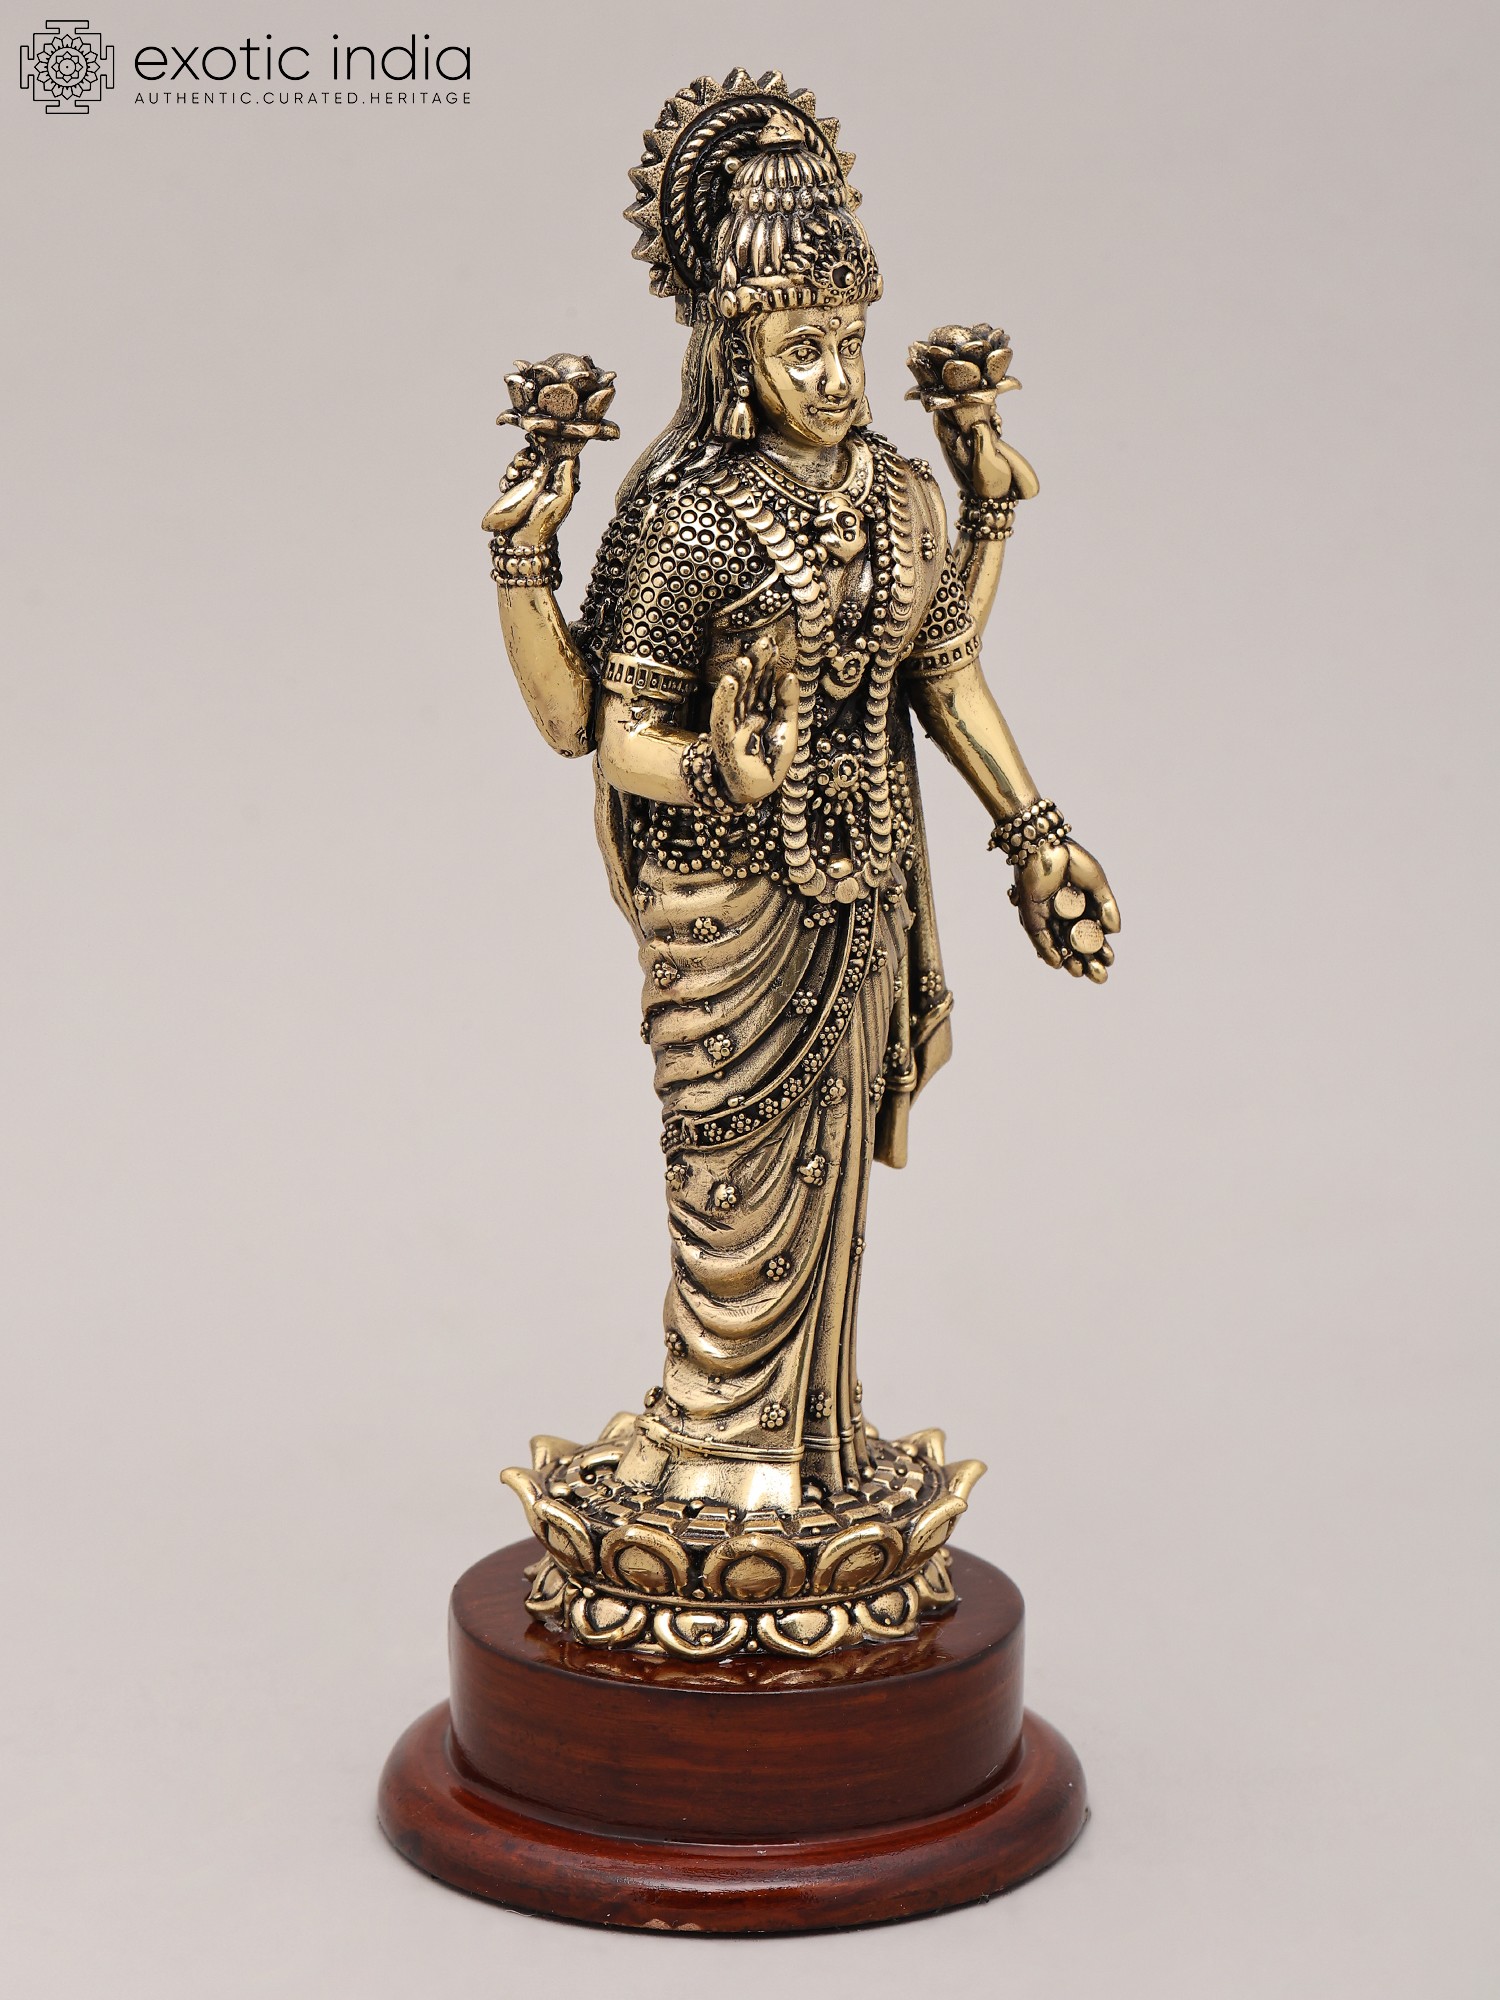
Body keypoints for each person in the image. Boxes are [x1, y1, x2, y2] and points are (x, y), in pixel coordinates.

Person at [483, 72, 1119, 1624]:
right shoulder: (692, 514)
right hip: (724, 906)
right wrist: (717, 763)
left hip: (861, 892)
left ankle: (808, 1453)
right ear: (734, 352)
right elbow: (605, 731)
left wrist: (1036, 836)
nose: (835, 378)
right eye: (800, 350)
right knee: (730, 1187)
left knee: (828, 1198)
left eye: (848, 342)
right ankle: (713, 1451)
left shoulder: (897, 493)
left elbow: (942, 671)